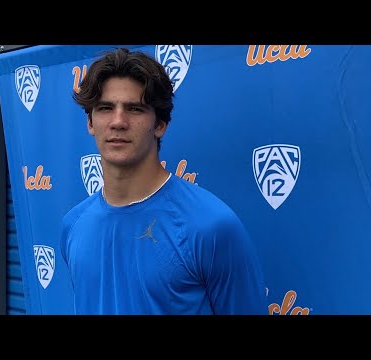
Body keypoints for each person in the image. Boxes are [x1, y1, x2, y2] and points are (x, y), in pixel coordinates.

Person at [60, 47, 268, 315]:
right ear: (90, 122)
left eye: (135, 109)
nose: (118, 121)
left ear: (160, 124)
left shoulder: (210, 226)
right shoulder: (73, 225)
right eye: (105, 108)